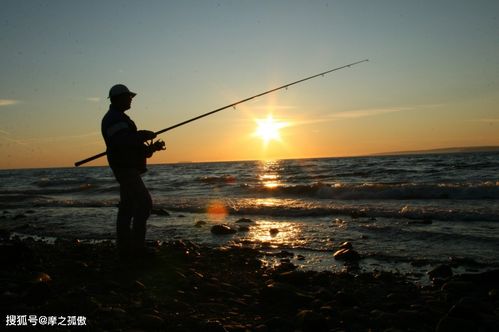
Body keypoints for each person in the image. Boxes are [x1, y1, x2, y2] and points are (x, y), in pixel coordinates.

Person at [101, 84, 164, 258]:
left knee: (127, 207)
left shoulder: (119, 117)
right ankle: (136, 248)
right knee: (144, 204)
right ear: (119, 98)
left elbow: (130, 146)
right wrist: (143, 135)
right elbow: (123, 141)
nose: (131, 100)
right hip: (125, 168)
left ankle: (125, 248)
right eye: (129, 97)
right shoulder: (114, 119)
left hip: (128, 166)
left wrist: (152, 148)